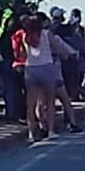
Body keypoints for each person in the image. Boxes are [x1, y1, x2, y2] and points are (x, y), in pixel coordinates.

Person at [18, 14, 70, 142]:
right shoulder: (46, 34)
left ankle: (31, 133)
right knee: (49, 101)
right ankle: (50, 130)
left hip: (31, 69)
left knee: (31, 104)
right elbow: (58, 49)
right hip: (47, 67)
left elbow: (23, 53)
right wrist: (65, 54)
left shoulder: (26, 36)